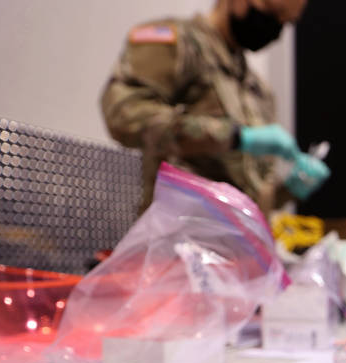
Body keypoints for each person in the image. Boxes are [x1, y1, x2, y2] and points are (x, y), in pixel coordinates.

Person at [100, 0, 329, 213]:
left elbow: (248, 201)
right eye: (272, 13)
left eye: (285, 21)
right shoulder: (177, 45)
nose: (276, 29)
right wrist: (235, 137)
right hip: (178, 244)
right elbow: (123, 114)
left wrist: (289, 190)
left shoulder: (258, 90)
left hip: (239, 250)